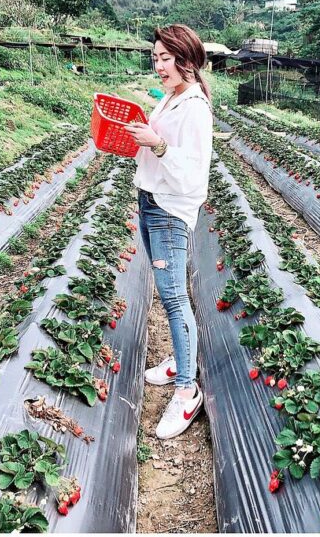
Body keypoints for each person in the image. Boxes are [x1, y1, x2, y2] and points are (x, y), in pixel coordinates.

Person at [124, 24, 212, 440]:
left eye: (166, 57)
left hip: (168, 211)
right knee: (167, 290)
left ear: (187, 60)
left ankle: (186, 389)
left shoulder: (195, 107)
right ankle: (180, 360)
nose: (158, 65)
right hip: (150, 200)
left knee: (176, 297)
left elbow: (194, 174)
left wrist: (157, 144)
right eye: (155, 57)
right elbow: (157, 144)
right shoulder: (172, 98)